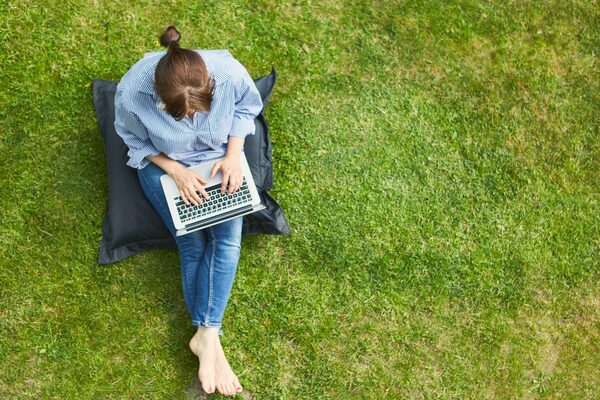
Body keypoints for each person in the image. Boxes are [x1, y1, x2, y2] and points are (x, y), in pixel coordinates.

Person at [114, 25, 263, 396]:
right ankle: (210, 341)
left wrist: (233, 155)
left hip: (218, 159)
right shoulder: (133, 92)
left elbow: (247, 106)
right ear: (159, 100)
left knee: (227, 240)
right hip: (166, 166)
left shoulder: (228, 73)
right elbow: (131, 138)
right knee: (192, 243)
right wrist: (175, 169)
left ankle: (206, 334)